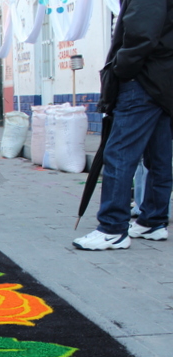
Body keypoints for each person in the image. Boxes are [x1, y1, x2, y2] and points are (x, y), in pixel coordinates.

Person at [73, 0, 173, 250]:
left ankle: (112, 228)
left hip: (143, 80)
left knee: (119, 153)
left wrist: (121, 68)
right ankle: (153, 221)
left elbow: (142, 34)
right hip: (163, 81)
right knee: (158, 156)